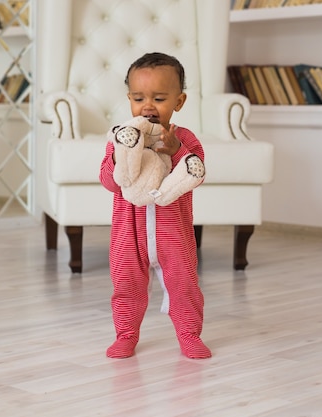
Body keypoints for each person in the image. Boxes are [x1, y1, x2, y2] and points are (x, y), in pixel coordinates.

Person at [99, 52, 211, 359]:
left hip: (173, 232)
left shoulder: (184, 138)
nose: (147, 106)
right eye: (139, 98)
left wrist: (176, 151)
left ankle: (189, 334)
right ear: (129, 100)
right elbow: (109, 181)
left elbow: (195, 173)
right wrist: (121, 153)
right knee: (125, 284)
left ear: (179, 101)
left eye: (159, 98)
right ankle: (126, 334)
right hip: (128, 235)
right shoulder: (121, 138)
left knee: (184, 284)